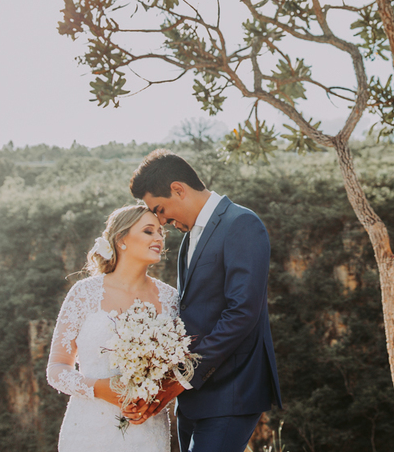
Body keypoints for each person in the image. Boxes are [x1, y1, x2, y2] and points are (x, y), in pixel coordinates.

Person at [131, 149, 282, 452]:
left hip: (232, 391)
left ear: (178, 189)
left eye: (160, 209)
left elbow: (242, 312)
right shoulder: (189, 237)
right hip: (192, 397)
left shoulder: (241, 223)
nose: (162, 220)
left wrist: (184, 375)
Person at [46, 204, 179, 452]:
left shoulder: (171, 299)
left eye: (161, 232)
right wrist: (101, 389)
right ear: (121, 239)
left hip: (147, 431)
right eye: (148, 231)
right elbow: (56, 369)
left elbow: (179, 368)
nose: (159, 238)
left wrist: (155, 398)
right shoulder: (84, 293)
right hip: (88, 431)